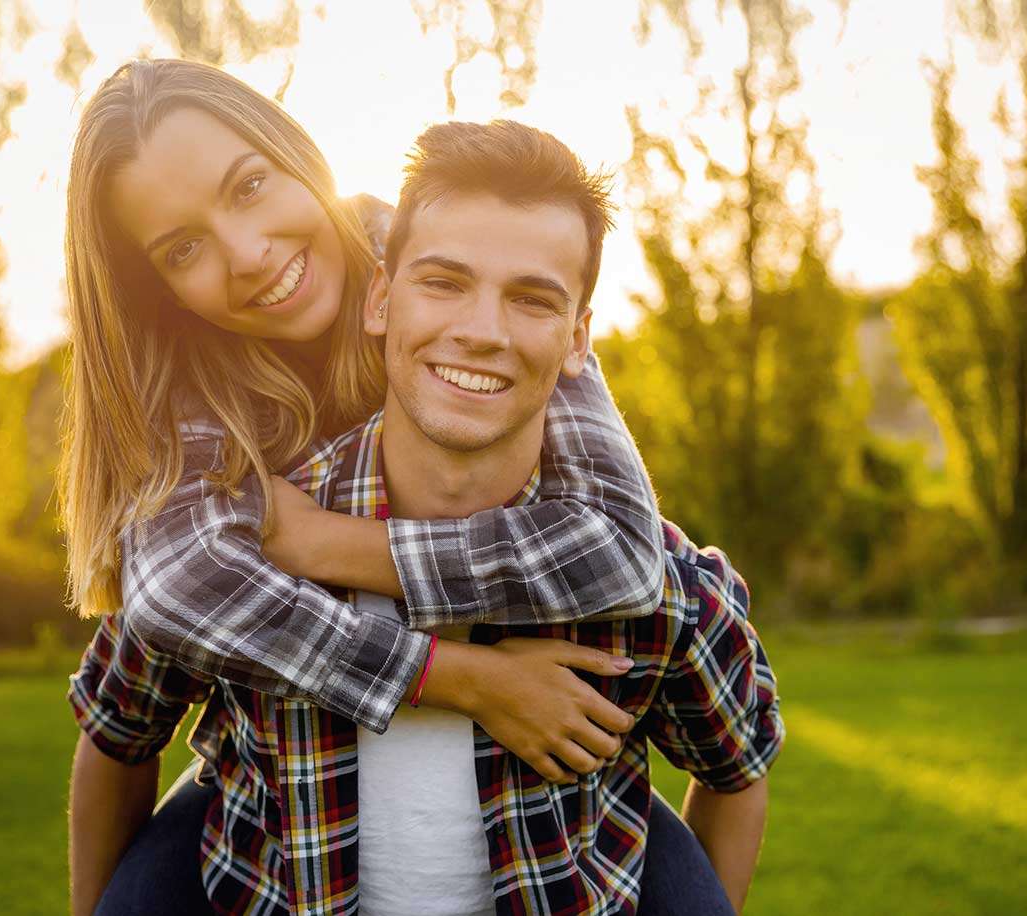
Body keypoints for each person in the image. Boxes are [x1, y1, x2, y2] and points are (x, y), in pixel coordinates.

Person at [57, 59, 729, 914]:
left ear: (298, 152)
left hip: (555, 809)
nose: (250, 253)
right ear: (155, 287)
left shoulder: (458, 266)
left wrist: (326, 544)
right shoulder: (200, 406)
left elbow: (624, 553)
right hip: (286, 788)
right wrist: (465, 679)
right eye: (182, 248)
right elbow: (172, 599)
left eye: (251, 184)